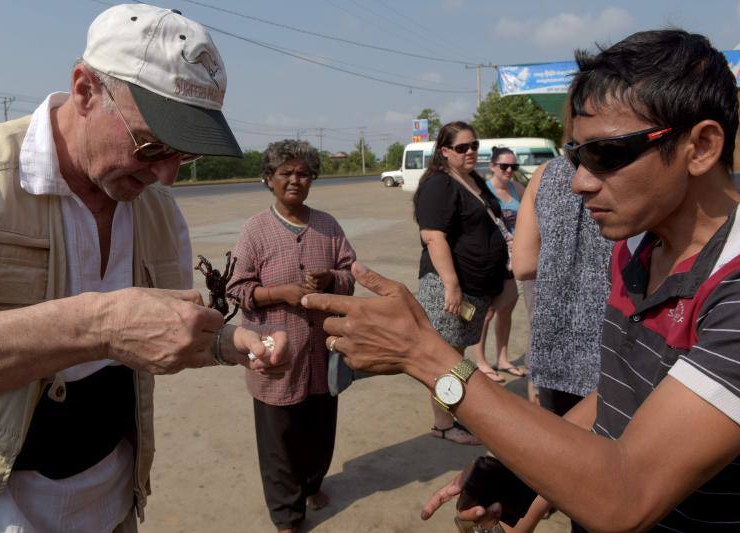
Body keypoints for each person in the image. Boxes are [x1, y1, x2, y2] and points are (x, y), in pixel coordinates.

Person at [303, 29, 740, 531]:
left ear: (702, 146)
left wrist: (425, 355)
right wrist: (521, 467)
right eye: (577, 155)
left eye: (607, 155)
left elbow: (628, 494)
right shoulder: (638, 246)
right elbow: (621, 396)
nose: (579, 181)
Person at [0, 5, 290, 532]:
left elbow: (156, 331)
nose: (167, 176)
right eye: (151, 146)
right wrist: (96, 326)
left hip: (111, 505)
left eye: (185, 156)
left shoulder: (157, 210)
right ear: (84, 89)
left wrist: (224, 344)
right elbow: (111, 328)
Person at [227, 140, 355, 532]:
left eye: (303, 173)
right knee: (279, 443)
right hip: (275, 357)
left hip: (322, 353)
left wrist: (331, 278)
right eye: (286, 173)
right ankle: (287, 516)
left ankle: (312, 484)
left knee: (319, 432)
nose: (295, 180)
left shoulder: (328, 226)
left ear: (312, 179)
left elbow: (351, 275)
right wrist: (279, 293)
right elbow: (236, 288)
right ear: (269, 179)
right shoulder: (255, 230)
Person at [413, 121, 509, 445]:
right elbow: (433, 237)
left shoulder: (472, 179)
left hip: (474, 289)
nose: (470, 152)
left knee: (455, 355)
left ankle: (450, 415)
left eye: (474, 146)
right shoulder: (439, 184)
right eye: (461, 147)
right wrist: (452, 285)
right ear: (444, 151)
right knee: (444, 359)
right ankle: (443, 423)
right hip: (450, 288)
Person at [513, 155, 612, 417]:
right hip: (614, 354)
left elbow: (522, 264)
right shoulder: (630, 166)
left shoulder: (544, 174)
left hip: (555, 353)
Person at [470, 147, 527, 381]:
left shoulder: (517, 188)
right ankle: (481, 362)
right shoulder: (485, 190)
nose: (509, 171)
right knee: (488, 312)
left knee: (507, 310)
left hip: (513, 261)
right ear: (493, 166)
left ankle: (502, 358)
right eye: (504, 166)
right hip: (493, 259)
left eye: (513, 166)